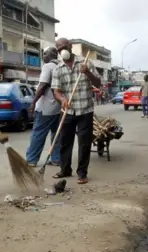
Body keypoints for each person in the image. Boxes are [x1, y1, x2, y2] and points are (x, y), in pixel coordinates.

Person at [51, 38, 101, 185]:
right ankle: (65, 169)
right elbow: (57, 91)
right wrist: (62, 99)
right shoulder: (58, 69)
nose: (62, 51)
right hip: (68, 110)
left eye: (64, 47)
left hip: (85, 109)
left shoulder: (85, 63)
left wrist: (88, 73)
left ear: (70, 47)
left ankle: (82, 173)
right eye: (59, 49)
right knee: (65, 142)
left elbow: (98, 83)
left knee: (84, 143)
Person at [26, 46, 61, 167]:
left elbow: (42, 86)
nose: (43, 56)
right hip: (59, 107)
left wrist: (33, 102)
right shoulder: (61, 66)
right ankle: (57, 159)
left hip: (46, 107)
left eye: (44, 54)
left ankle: (31, 160)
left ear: (50, 55)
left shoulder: (48, 67)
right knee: (56, 134)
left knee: (38, 133)